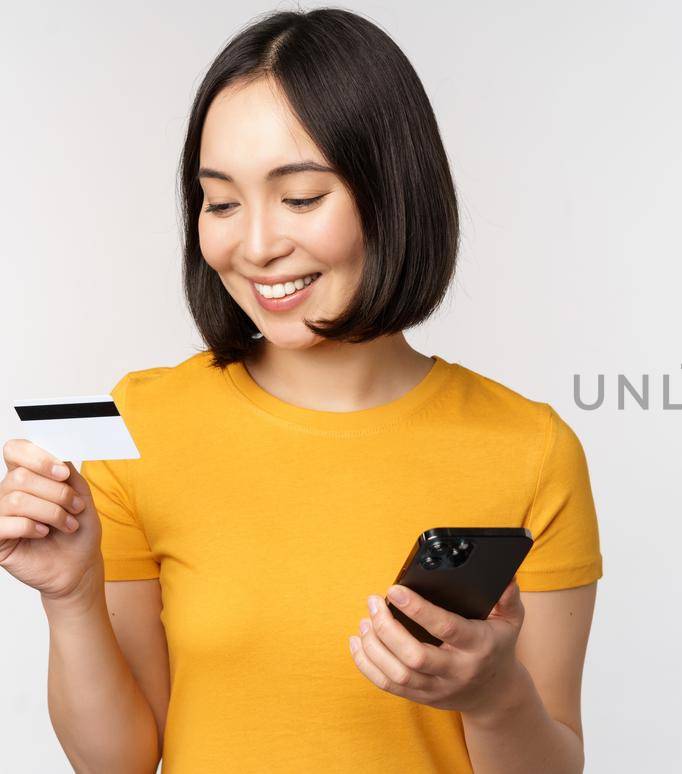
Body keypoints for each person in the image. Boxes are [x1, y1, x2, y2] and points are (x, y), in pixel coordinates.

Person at [0, 8, 600, 772]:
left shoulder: (530, 450)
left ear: (393, 193)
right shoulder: (143, 423)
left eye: (302, 197)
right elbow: (115, 764)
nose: (254, 246)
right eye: (220, 202)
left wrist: (491, 695)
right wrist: (70, 598)